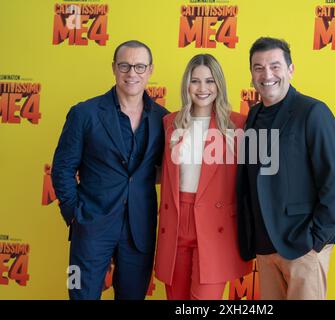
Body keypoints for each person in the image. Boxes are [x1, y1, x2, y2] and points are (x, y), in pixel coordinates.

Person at [52, 40, 169, 300]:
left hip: (139, 229)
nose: (132, 74)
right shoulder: (84, 113)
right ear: (114, 68)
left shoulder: (164, 119)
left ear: (150, 70)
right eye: (125, 65)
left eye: (139, 66)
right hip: (90, 225)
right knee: (80, 294)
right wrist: (74, 214)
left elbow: (167, 171)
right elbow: (61, 168)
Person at [236, 37, 335, 300]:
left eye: (275, 66)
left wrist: (316, 240)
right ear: (251, 73)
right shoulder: (252, 115)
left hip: (303, 245)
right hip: (265, 247)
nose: (267, 75)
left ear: (291, 69)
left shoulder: (313, 112)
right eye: (258, 68)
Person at [154, 54, 252, 300]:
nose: (203, 88)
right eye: (195, 81)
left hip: (215, 224)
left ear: (219, 84)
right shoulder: (170, 122)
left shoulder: (237, 125)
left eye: (210, 81)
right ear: (186, 85)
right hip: (177, 220)